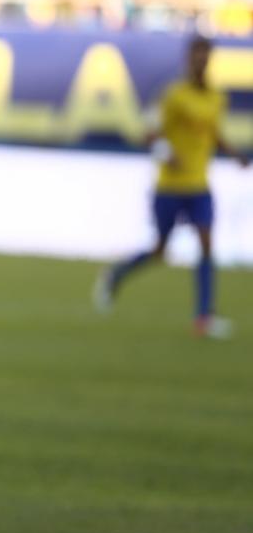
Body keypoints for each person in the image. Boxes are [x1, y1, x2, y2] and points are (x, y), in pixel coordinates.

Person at [94, 35, 249, 339]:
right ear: (189, 58)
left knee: (206, 243)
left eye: (205, 54)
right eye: (196, 54)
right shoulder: (173, 95)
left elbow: (213, 133)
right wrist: (167, 152)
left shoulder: (217, 97)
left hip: (199, 185)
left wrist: (234, 155)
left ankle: (204, 317)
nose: (200, 60)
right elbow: (147, 134)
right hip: (169, 186)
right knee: (160, 250)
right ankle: (116, 274)